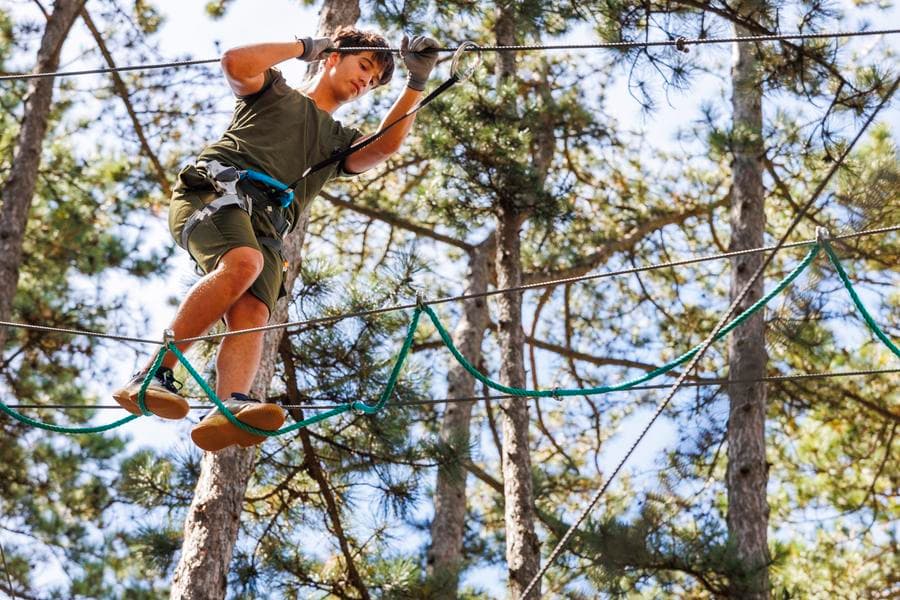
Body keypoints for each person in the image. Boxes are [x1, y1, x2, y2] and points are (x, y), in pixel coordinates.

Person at [112, 28, 439, 452]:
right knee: (243, 265)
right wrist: (306, 47)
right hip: (216, 193)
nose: (365, 83)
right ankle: (153, 373)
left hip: (267, 226)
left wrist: (417, 83)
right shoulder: (274, 91)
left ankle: (230, 404)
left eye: (374, 82)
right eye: (364, 67)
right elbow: (235, 63)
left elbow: (384, 146)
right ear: (335, 58)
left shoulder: (339, 140)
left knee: (253, 309)